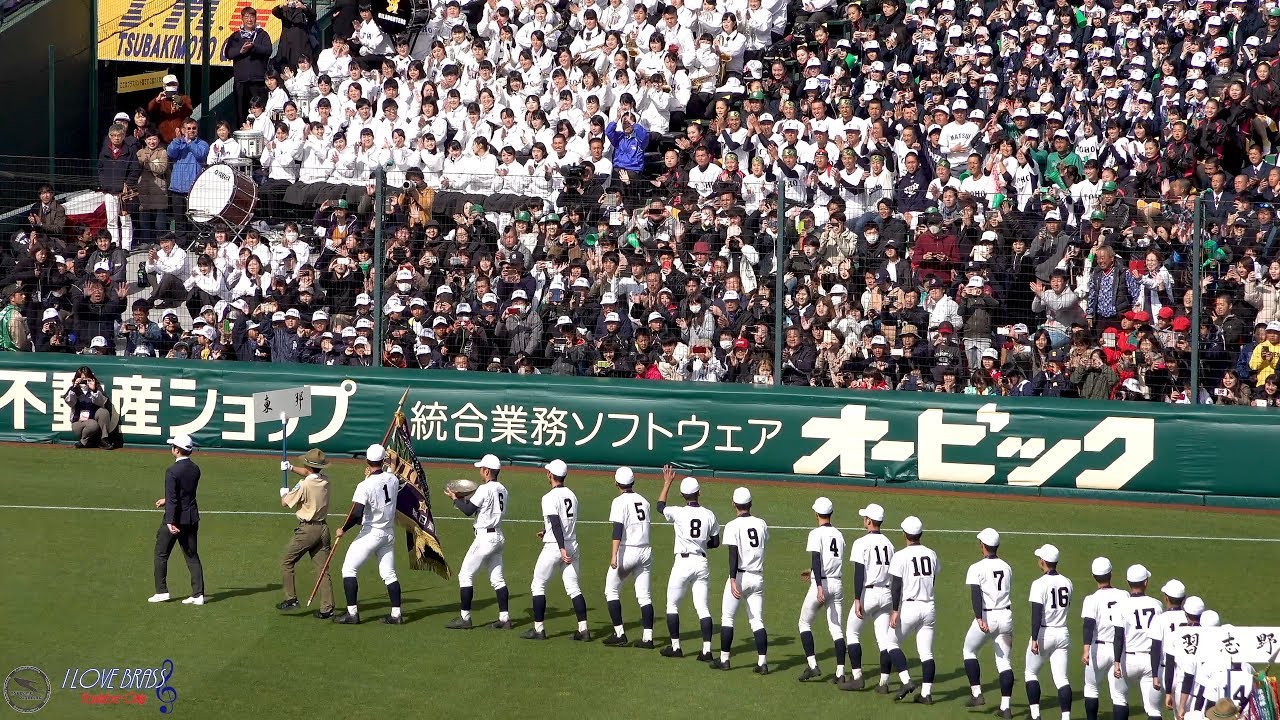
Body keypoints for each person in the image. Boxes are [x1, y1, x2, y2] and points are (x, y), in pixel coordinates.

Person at [333, 444, 403, 625]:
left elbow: (356, 513)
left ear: (367, 461)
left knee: (348, 569)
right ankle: (396, 614)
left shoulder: (364, 485)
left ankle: (352, 614)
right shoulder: (393, 479)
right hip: (388, 533)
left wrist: (343, 529)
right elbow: (387, 476)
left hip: (372, 533)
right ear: (383, 460)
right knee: (389, 574)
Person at [656, 464, 719, 661]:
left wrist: (667, 483)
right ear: (699, 493)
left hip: (682, 563)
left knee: (672, 606)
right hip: (701, 563)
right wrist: (700, 544)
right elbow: (715, 542)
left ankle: (676, 648)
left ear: (683, 495)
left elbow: (659, 506)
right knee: (703, 607)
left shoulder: (678, 512)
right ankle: (707, 650)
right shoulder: (709, 514)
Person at [522, 459, 588, 641]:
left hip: (556, 548)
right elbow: (564, 523)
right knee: (574, 588)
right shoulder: (572, 496)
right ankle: (583, 630)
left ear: (551, 475)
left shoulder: (549, 497)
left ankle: (538, 629)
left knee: (538, 585)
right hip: (573, 544)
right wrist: (546, 531)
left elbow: (557, 524)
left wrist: (560, 548)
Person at [444, 453, 511, 630]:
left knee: (465, 575)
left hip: (484, 538)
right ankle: (504, 618)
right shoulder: (503, 489)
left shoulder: (484, 489)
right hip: (498, 536)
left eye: (481, 469)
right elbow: (480, 508)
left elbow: (468, 510)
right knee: (498, 579)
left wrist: (455, 499)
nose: (480, 471)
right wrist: (461, 500)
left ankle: (465, 618)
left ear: (487, 471)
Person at [712, 486, 769, 673]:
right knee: (757, 620)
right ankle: (762, 663)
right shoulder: (761, 523)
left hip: (741, 576)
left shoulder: (732, 526)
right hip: (758, 576)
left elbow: (733, 554)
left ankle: (724, 660)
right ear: (750, 503)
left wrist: (732, 578)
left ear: (733, 504)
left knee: (727, 618)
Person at [842, 502, 896, 692]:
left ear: (870, 521)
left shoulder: (861, 542)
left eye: (865, 518)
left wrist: (857, 598)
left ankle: (857, 677)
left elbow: (859, 572)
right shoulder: (889, 544)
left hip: (869, 593)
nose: (863, 520)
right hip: (887, 593)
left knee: (852, 632)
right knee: (884, 638)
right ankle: (884, 682)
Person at [276, 448, 335, 619]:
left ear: (307, 465)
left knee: (287, 561)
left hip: (308, 530)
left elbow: (284, 503)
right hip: (323, 528)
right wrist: (291, 468)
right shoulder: (325, 480)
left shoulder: (304, 485)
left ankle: (291, 599)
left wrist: (284, 494)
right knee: (322, 570)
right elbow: (309, 474)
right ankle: (327, 607)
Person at [962, 527, 1015, 718]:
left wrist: (979, 618)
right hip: (1006, 617)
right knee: (1004, 662)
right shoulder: (1007, 567)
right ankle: (1005, 707)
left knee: (969, 650)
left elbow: (976, 594)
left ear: (983, 545)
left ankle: (977, 694)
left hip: (987, 617)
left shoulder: (976, 567)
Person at [886, 515, 938, 704]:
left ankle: (906, 681)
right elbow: (932, 579)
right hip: (929, 606)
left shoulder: (900, 555)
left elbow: (896, 586)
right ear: (920, 533)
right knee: (926, 653)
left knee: (890, 643)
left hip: (909, 606)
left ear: (904, 534)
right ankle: (926, 694)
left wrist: (895, 610)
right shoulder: (931, 553)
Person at [149, 433, 205, 606]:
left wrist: (170, 522)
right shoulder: (195, 468)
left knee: (161, 554)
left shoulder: (172, 471)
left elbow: (174, 499)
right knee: (192, 556)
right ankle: (198, 594)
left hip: (176, 519)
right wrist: (166, 499)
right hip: (191, 518)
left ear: (177, 450)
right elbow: (185, 492)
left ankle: (161, 591)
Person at [602, 466, 655, 648]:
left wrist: (614, 555)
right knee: (644, 596)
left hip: (628, 550)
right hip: (646, 551)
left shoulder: (619, 502)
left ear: (616, 483)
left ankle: (619, 634)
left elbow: (617, 530)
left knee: (611, 590)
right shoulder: (644, 501)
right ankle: (648, 638)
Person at [798, 496, 846, 682]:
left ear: (816, 514)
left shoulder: (815, 534)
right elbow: (832, 560)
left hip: (822, 584)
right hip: (837, 583)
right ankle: (840, 673)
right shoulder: (839, 534)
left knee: (804, 623)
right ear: (831, 513)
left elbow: (817, 559)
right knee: (836, 629)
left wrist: (817, 584)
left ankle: (812, 665)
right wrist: (812, 572)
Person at [1024, 544, 1074, 720]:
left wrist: (1035, 638)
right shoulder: (1067, 582)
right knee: (1061, 678)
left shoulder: (1039, 584)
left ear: (1043, 562)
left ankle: (1035, 715)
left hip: (1045, 633)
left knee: (1031, 672)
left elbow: (1036, 613)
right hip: (1062, 632)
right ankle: (1066, 717)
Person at [1111, 564, 1166, 720]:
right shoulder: (1157, 605)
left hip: (1128, 659)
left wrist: (1116, 663)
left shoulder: (1120, 606)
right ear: (1146, 582)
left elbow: (1118, 636)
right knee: (1153, 709)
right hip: (1151, 660)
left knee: (1120, 699)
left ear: (1128, 583)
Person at [1080, 557, 1128, 720]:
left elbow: (1088, 624)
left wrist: (1086, 649)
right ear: (1111, 574)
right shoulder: (1124, 595)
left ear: (1094, 576)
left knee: (1091, 688)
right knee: (1119, 696)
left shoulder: (1091, 599)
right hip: (1119, 650)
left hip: (1097, 649)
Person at [225, 7, 273, 122]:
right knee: (240, 112)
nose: (249, 20)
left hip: (258, 81)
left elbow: (268, 50)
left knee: (259, 111)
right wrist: (240, 51)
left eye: (252, 17)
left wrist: (254, 47)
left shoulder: (262, 34)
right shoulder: (235, 36)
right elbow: (228, 53)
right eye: (246, 17)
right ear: (242, 19)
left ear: (256, 18)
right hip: (240, 81)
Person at [62, 365, 119, 449]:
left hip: (93, 419)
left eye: (87, 380)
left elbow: (102, 402)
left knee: (103, 412)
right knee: (92, 425)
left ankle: (103, 440)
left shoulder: (96, 388)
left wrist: (94, 390)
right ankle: (85, 440)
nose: (84, 383)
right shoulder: (73, 389)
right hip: (79, 422)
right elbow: (69, 401)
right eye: (82, 380)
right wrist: (75, 387)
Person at [147, 75, 194, 142]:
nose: (171, 85)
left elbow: (189, 111)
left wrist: (181, 103)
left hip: (181, 137)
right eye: (169, 84)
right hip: (163, 138)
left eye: (173, 84)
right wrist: (157, 100)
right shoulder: (161, 99)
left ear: (177, 85)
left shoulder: (184, 98)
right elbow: (150, 110)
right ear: (164, 86)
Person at [0, 284, 30, 351]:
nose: (24, 296)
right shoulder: (15, 315)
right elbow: (19, 343)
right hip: (14, 355)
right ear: (12, 298)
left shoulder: (4, 312)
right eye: (21, 294)